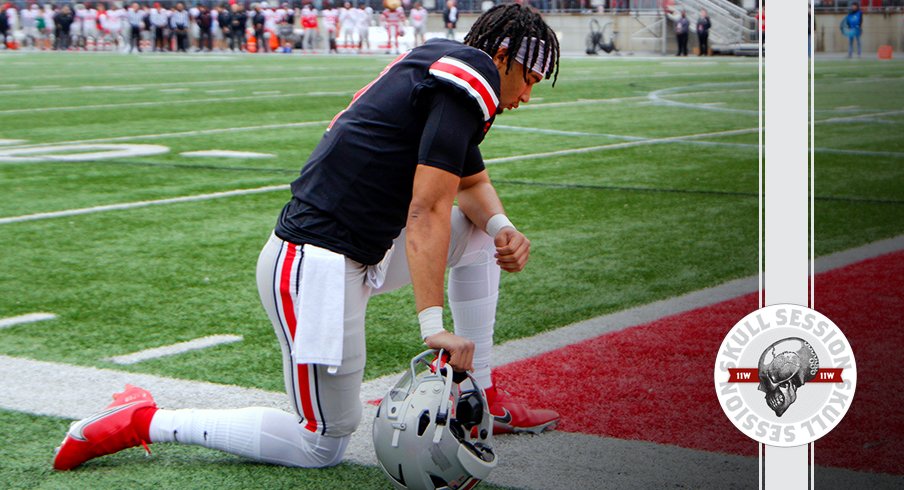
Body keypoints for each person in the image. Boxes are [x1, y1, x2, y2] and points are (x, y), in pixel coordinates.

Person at [52, 3, 561, 472]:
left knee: (479, 238)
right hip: (313, 264)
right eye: (530, 79)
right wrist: (433, 326)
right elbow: (427, 209)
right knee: (322, 443)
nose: (526, 97)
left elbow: (470, 183)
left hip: (365, 250)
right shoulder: (469, 76)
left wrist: (502, 228)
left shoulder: (447, 67)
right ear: (501, 56)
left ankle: (483, 397)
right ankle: (144, 420)